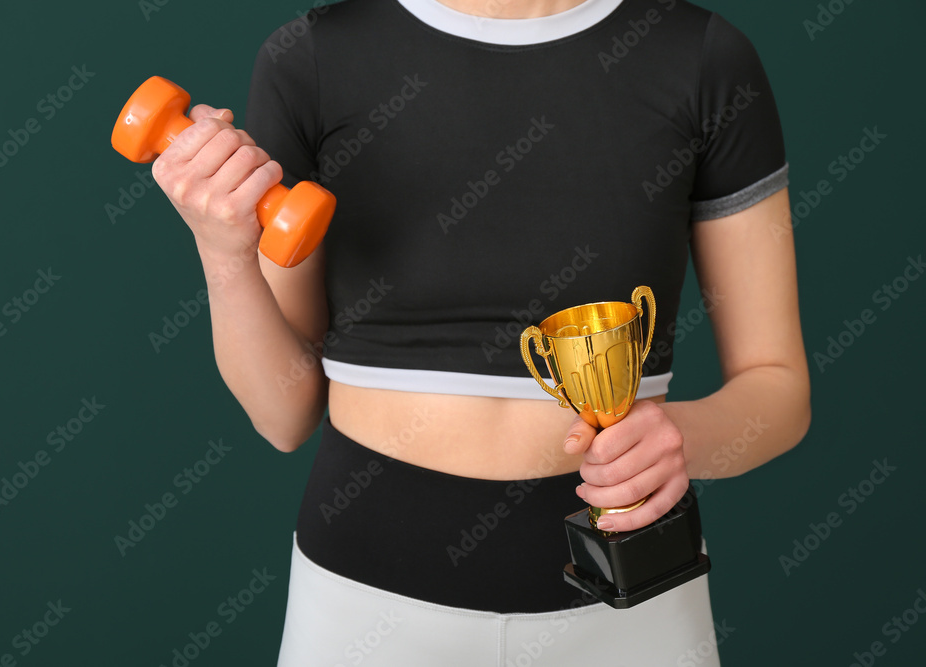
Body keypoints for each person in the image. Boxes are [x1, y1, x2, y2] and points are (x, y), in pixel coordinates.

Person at [150, 0, 810, 664]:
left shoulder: (702, 57)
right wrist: (223, 253)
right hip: (364, 611)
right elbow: (282, 414)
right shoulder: (311, 58)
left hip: (633, 605)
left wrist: (685, 439)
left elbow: (778, 388)